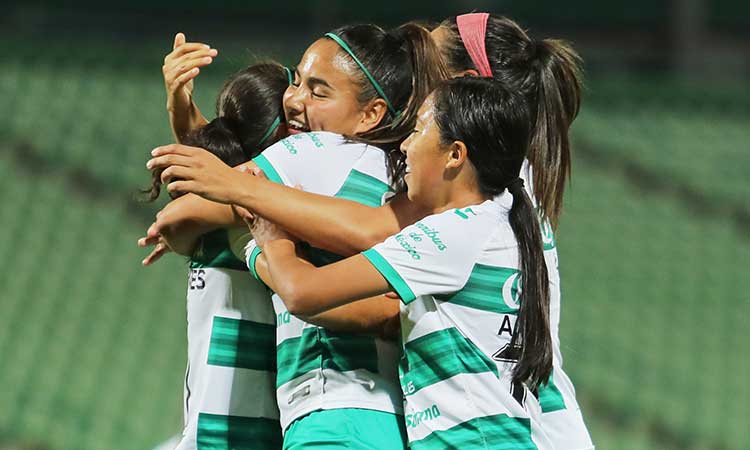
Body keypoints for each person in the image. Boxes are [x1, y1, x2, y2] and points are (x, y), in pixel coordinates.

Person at [146, 23, 447, 450]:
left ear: (370, 114)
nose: (295, 100)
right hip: (395, 420)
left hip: (328, 414)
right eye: (298, 83)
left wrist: (246, 241)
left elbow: (181, 215)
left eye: (318, 91)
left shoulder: (314, 150)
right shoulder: (404, 179)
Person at [252, 77, 558, 449]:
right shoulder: (502, 223)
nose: (405, 145)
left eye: (417, 131)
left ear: (455, 154)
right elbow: (360, 311)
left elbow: (304, 293)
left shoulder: (451, 235)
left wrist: (269, 239)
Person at [147, 59, 291, 450]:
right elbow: (181, 212)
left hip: (214, 426)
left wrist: (180, 108)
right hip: (238, 430)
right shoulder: (257, 211)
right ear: (284, 134)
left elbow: (181, 211)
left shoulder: (231, 210)